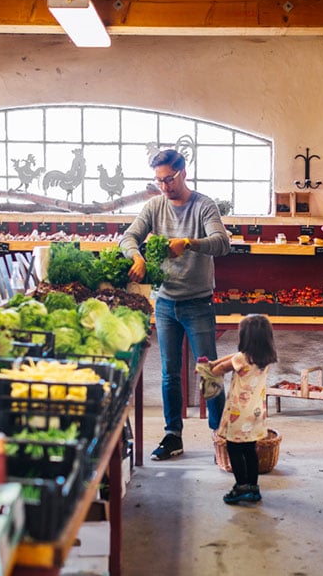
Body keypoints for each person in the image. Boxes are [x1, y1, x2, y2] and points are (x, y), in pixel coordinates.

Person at [119, 148, 230, 461]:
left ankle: (220, 434)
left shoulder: (203, 205)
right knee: (170, 373)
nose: (164, 186)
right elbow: (127, 237)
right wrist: (137, 256)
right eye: (158, 180)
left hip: (198, 303)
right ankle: (172, 436)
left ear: (183, 172)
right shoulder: (154, 206)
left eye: (169, 178)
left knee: (209, 371)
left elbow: (222, 244)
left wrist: (190, 243)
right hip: (166, 304)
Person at [208, 314, 278, 504]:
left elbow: (220, 369)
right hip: (256, 413)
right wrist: (214, 361)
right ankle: (253, 488)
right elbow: (231, 357)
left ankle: (241, 487)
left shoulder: (242, 358)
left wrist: (208, 368)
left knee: (234, 448)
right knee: (249, 449)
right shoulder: (265, 357)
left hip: (239, 413)